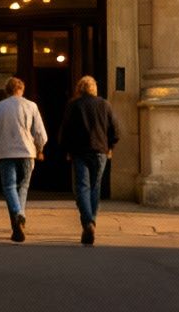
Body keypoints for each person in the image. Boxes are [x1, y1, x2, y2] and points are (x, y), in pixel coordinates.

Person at [0, 77, 46, 242]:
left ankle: (17, 215)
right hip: (27, 153)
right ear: (22, 90)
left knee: (9, 187)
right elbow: (40, 133)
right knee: (23, 187)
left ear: (7, 90)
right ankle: (19, 219)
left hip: (6, 153)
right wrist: (39, 149)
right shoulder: (31, 106)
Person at [59, 75, 121, 245]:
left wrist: (67, 149)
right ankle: (91, 221)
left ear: (79, 88)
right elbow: (115, 130)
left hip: (79, 152)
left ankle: (87, 222)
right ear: (94, 88)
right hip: (100, 151)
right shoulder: (105, 104)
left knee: (81, 187)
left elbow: (66, 130)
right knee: (95, 187)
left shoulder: (73, 105)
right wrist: (110, 147)